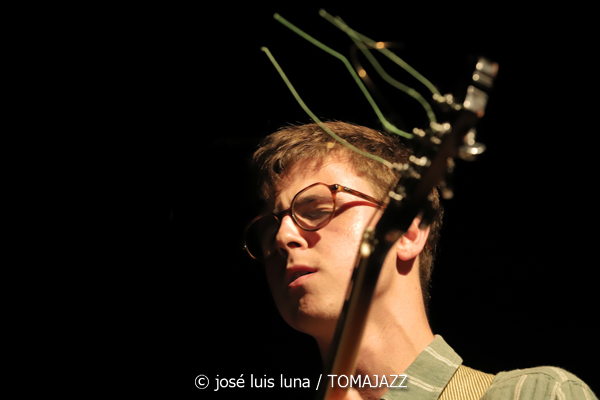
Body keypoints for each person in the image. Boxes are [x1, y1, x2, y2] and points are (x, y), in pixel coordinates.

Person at [243, 120, 597, 400]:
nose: (283, 237)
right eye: (269, 230)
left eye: (318, 208)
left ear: (409, 233)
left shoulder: (534, 394)